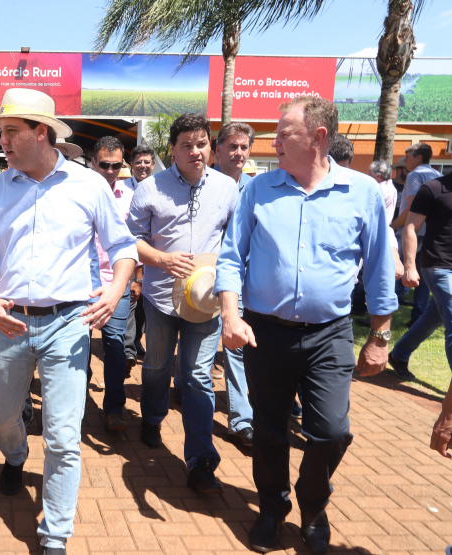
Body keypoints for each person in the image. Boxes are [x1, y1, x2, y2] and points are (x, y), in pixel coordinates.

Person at [215, 96, 397, 554]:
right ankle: (273, 509)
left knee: (332, 431)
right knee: (270, 428)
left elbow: (377, 269)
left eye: (284, 134)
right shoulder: (259, 190)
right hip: (265, 330)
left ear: (318, 137)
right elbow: (231, 258)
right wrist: (231, 315)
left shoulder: (362, 192)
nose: (272, 143)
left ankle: (313, 503)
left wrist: (379, 336)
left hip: (329, 333)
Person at [0, 88, 136, 555]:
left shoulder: (89, 185)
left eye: (10, 132)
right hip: (9, 323)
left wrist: (116, 289)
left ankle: (55, 534)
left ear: (41, 133)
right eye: (1, 132)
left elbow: (123, 248)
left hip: (68, 323)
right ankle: (16, 455)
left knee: (63, 436)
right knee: (2, 417)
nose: (2, 141)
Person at [127, 112, 237, 494]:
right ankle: (152, 417)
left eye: (202, 143)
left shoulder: (228, 188)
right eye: (186, 145)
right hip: (160, 300)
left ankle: (201, 460)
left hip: (206, 302)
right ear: (171, 150)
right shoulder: (150, 189)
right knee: (157, 365)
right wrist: (160, 260)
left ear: (211, 145)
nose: (195, 151)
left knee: (196, 376)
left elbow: (236, 245)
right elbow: (131, 242)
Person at [398, 169, 452, 458]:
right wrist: (409, 265)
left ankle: (400, 353)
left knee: (435, 315)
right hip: (439, 267)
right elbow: (410, 226)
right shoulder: (434, 188)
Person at [212, 121, 256, 447]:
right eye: (232, 146)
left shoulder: (256, 189)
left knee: (237, 349)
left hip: (240, 282)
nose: (239, 153)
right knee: (191, 351)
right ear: (217, 150)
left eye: (244, 147)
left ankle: (242, 419)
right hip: (197, 282)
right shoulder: (200, 182)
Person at [89, 136, 134, 431]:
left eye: (116, 165)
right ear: (93, 162)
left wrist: (135, 278)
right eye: (104, 164)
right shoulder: (77, 193)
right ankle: (75, 403)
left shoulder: (130, 197)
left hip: (117, 284)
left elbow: (135, 242)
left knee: (116, 348)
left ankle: (114, 408)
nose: (110, 170)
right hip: (82, 285)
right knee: (76, 350)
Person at [391, 143, 442, 326]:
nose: (405, 161)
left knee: (395, 270)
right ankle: (417, 316)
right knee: (422, 276)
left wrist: (392, 225)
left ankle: (384, 312)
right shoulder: (438, 175)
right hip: (430, 233)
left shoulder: (415, 175)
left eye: (408, 156)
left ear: (418, 157)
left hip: (412, 232)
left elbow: (414, 207)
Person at [121, 145, 156, 366]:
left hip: (155, 259)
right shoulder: (122, 190)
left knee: (144, 306)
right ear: (131, 165)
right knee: (130, 304)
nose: (142, 166)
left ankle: (136, 342)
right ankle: (127, 352)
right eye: (138, 162)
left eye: (147, 162)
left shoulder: (160, 188)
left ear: (153, 165)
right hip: (130, 259)